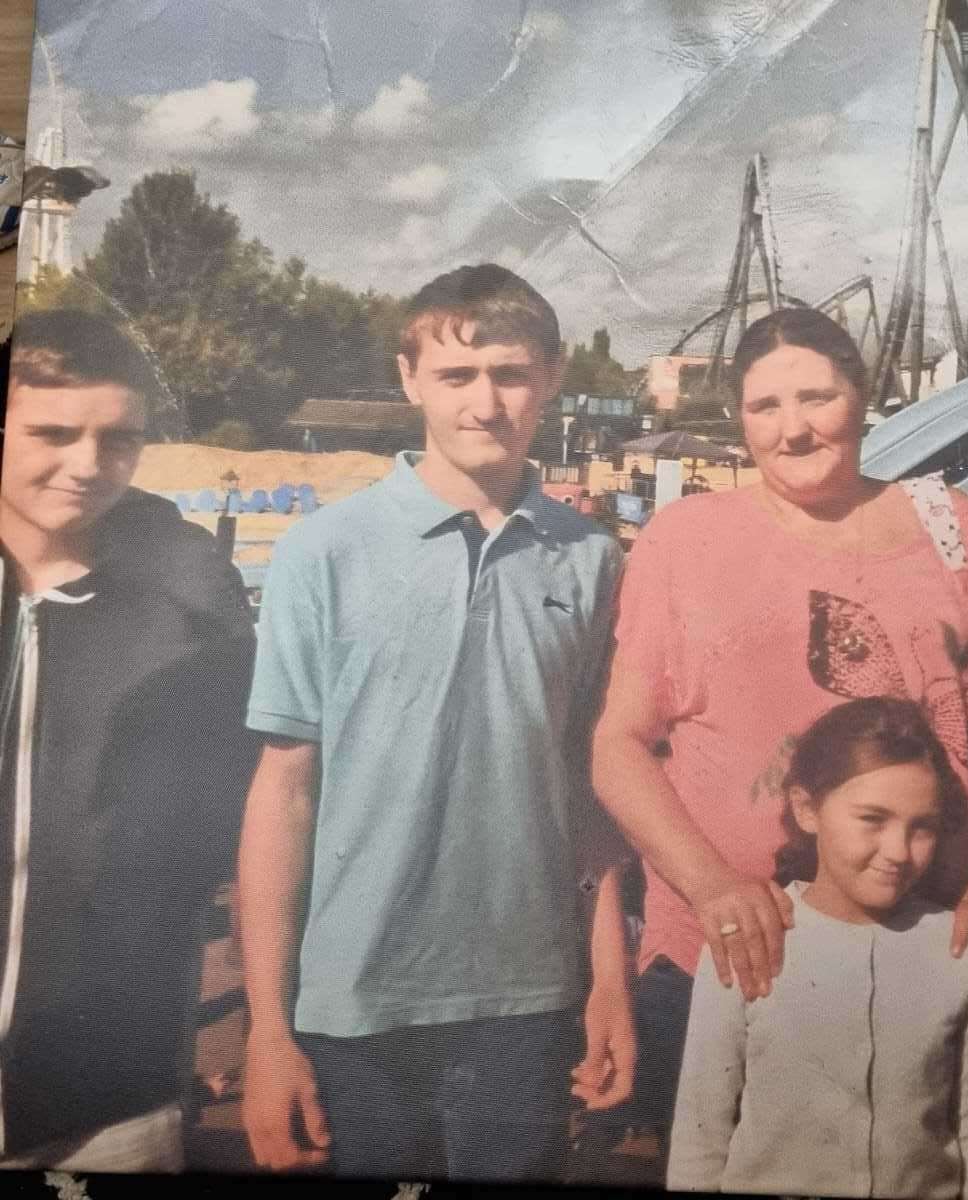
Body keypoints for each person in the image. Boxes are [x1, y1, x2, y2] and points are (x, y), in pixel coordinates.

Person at [592, 308, 968, 1160]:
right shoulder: (685, 541)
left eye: (818, 397)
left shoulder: (950, 526)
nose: (794, 427)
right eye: (765, 405)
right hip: (733, 961)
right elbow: (618, 747)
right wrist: (710, 886)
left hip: (922, 947)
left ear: (863, 398)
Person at [238, 265, 634, 1182]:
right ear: (410, 378)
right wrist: (266, 1028)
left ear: (552, 378)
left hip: (528, 1003)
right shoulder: (320, 553)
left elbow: (590, 788)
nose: (486, 402)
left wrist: (608, 979)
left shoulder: (591, 562)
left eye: (509, 373)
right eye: (457, 376)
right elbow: (284, 794)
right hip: (352, 1006)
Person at [0, 309, 257, 1171]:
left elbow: (231, 827)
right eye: (53, 432)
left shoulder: (188, 613)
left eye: (117, 439)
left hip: (113, 1099)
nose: (86, 465)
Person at [667, 697, 968, 1198]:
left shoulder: (963, 950)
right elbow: (701, 1135)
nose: (897, 851)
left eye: (922, 827)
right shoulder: (750, 939)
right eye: (872, 818)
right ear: (807, 809)